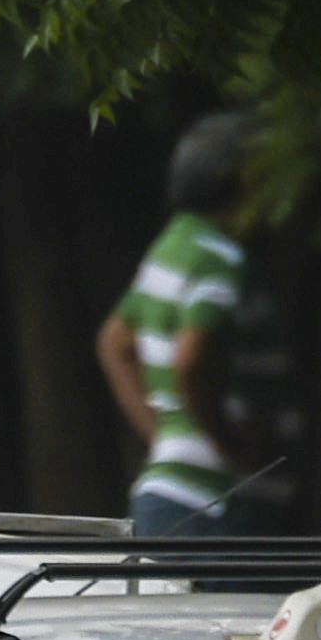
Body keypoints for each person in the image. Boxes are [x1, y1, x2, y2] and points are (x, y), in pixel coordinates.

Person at [97, 113, 252, 537]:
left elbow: (115, 341)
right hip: (213, 502)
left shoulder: (171, 247)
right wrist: (222, 443)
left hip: (166, 492)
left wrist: (162, 437)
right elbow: (192, 360)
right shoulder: (216, 256)